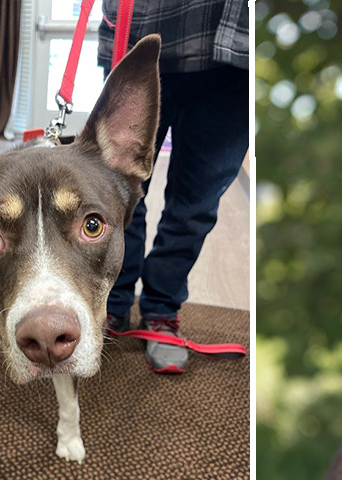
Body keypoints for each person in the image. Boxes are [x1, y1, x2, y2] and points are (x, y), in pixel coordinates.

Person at [98, 0, 248, 373]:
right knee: (117, 196)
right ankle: (111, 303)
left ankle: (161, 309)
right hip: (140, 33)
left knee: (195, 206)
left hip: (236, 54)